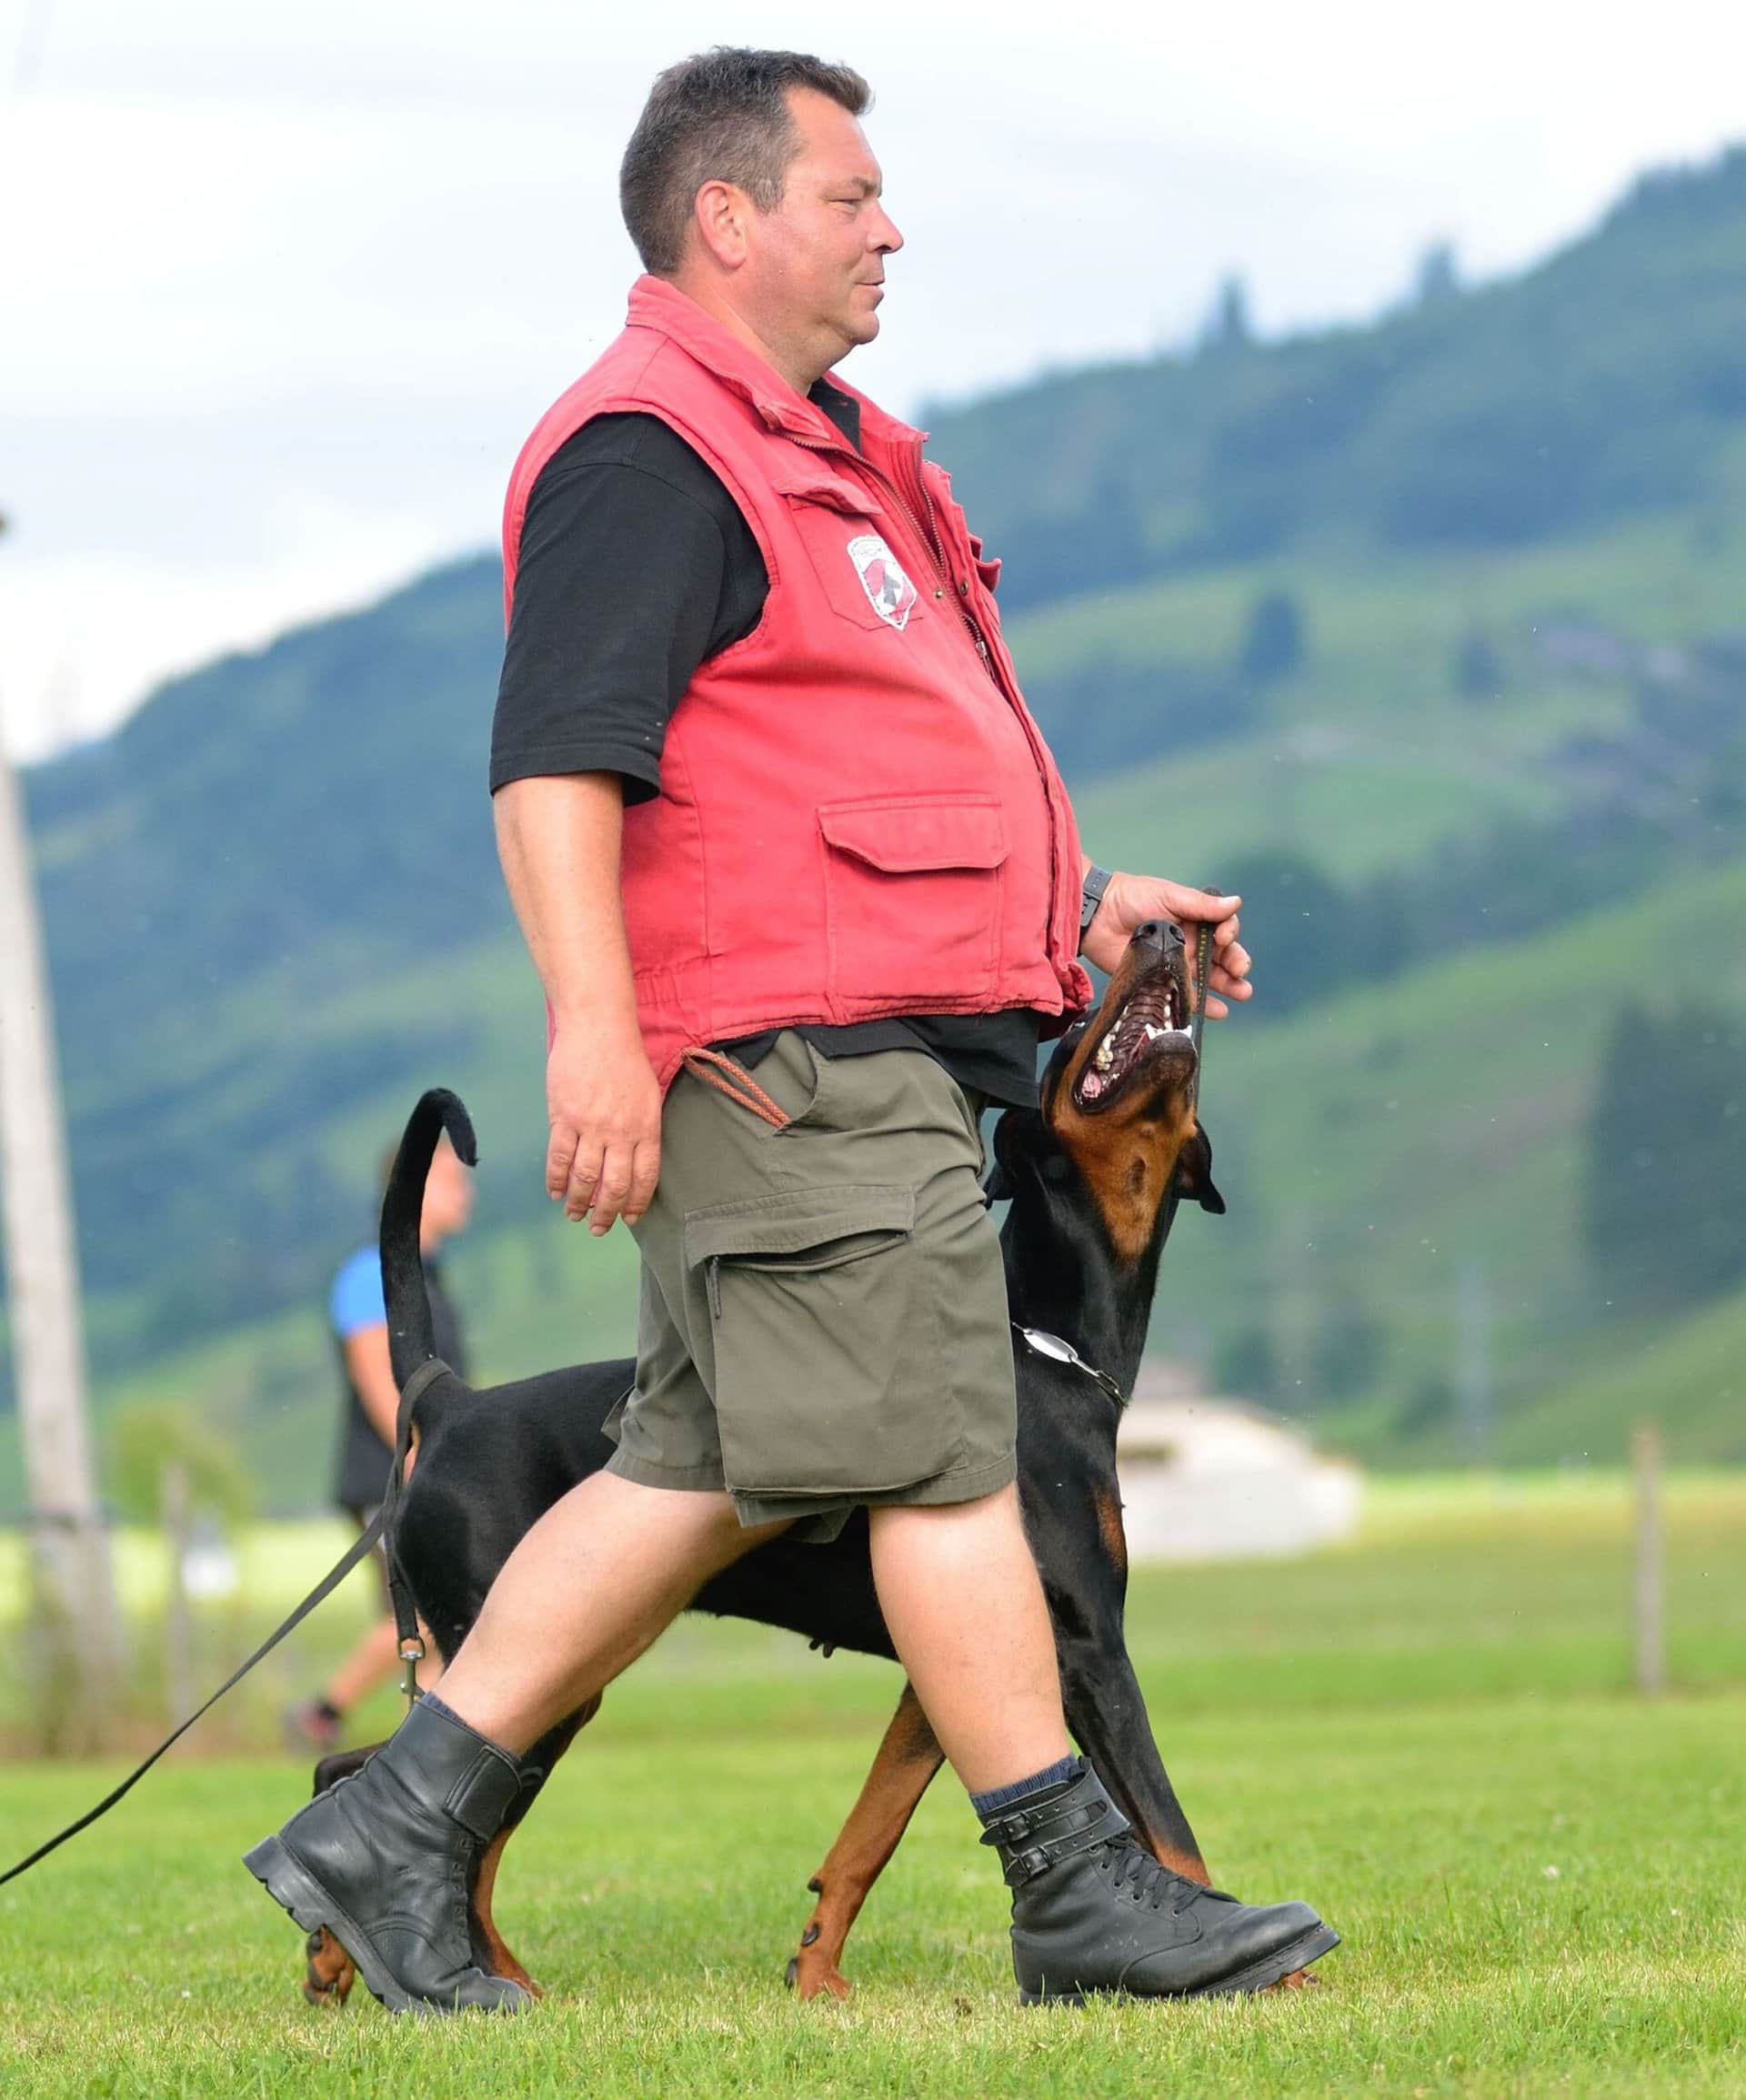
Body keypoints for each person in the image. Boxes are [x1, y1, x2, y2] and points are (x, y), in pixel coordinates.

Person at [246, 48, 1335, 2012]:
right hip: (802, 1066)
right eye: (851, 195)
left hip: (844, 1042)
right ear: (726, 218)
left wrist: (1078, 905)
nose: (890, 228)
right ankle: (1077, 1884)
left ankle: (388, 1832)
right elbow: (556, 761)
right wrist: (594, 1029)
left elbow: (833, 775)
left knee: (686, 1472)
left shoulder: (815, 450)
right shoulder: (652, 450)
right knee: (941, 1453)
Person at [283, 1136, 472, 1750]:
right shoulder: (372, 1274)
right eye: (451, 1178)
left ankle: (428, 1747)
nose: (466, 1192)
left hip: (426, 1466)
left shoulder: (427, 1277)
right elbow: (374, 1374)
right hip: (391, 1473)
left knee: (442, 1616)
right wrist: (418, 1452)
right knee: (429, 1613)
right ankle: (323, 1714)